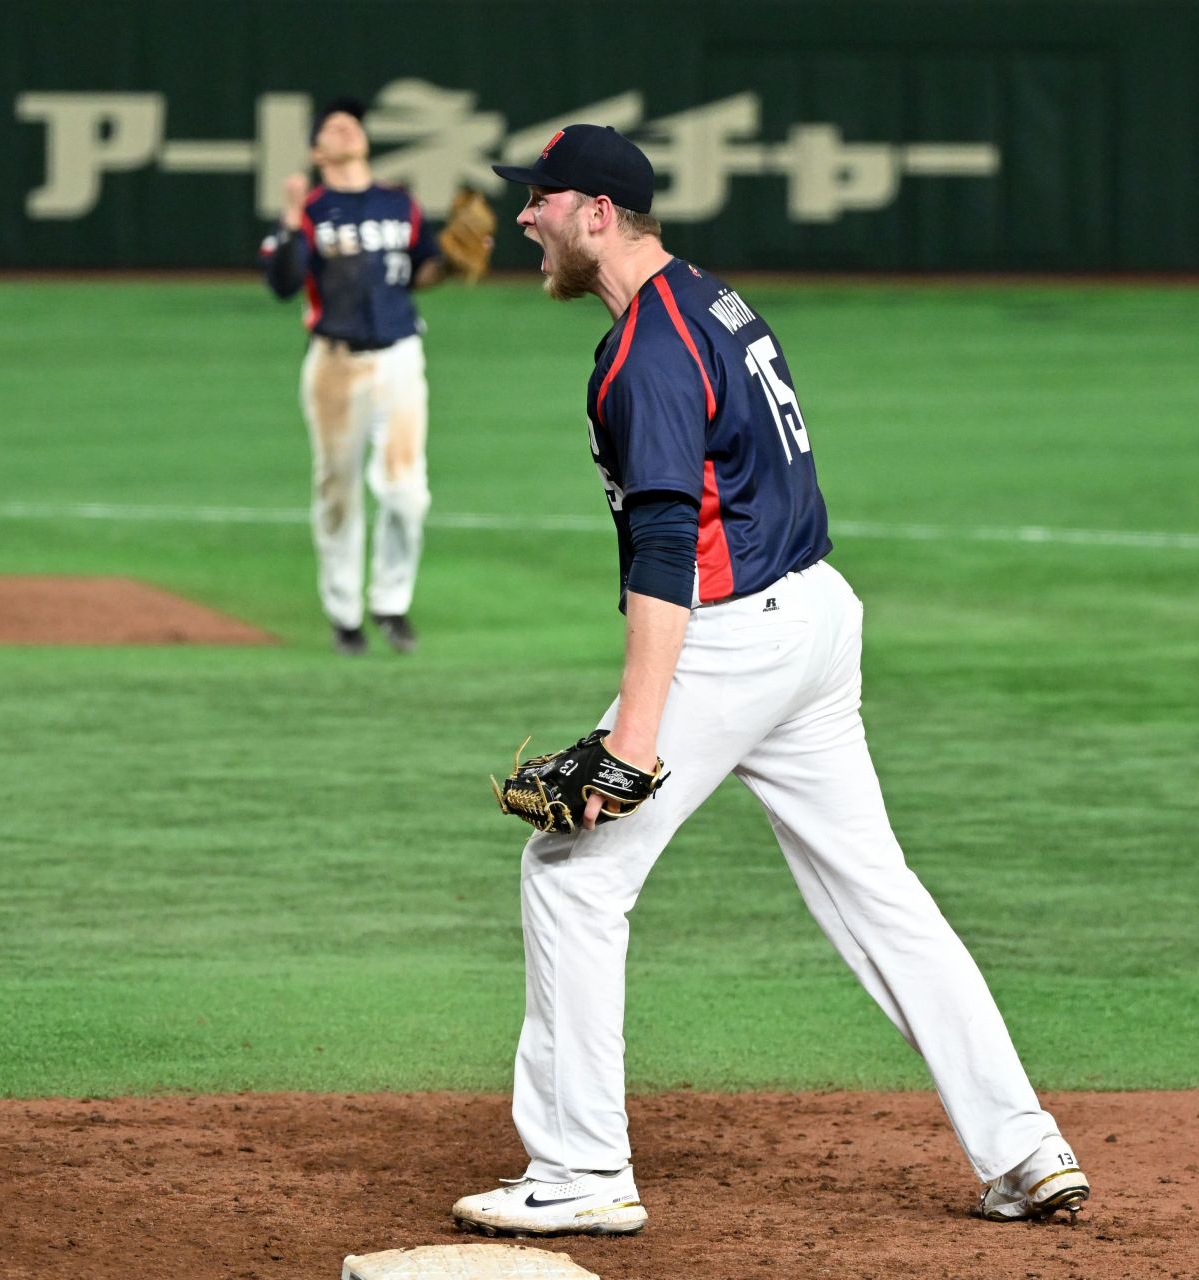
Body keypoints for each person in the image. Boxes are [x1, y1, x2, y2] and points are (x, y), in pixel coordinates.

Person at [452, 125, 1090, 1237]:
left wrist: (633, 740)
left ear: (596, 212)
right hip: (814, 621)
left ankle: (580, 1167)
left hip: (735, 636)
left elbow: (665, 549)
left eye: (539, 200)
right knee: (877, 891)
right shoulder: (712, 299)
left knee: (570, 872)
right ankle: (1025, 1145)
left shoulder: (646, 350)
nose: (522, 219)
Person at [260, 97, 444, 655]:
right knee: (337, 488)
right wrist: (292, 219)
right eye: (332, 127)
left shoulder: (399, 202)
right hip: (335, 365)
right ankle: (344, 615)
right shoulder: (311, 209)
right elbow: (282, 282)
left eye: (352, 123)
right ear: (318, 151)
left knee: (406, 491)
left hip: (399, 356)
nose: (346, 127)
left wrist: (455, 261)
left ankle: (391, 604)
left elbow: (423, 271)